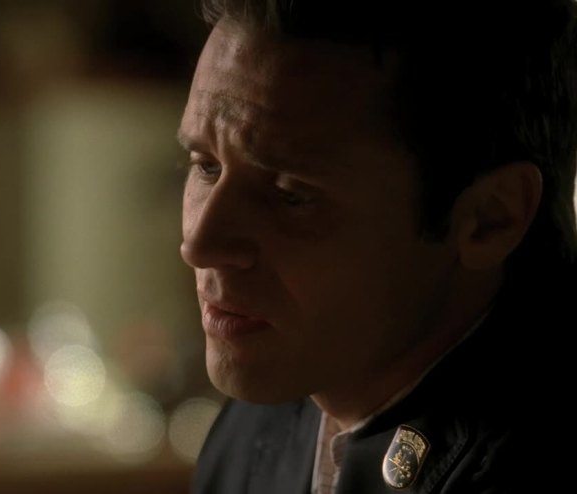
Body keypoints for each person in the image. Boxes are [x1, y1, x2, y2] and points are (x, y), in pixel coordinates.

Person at [176, 1, 577, 492]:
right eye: (206, 165)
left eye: (290, 194)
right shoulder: (256, 429)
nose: (199, 245)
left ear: (490, 219)